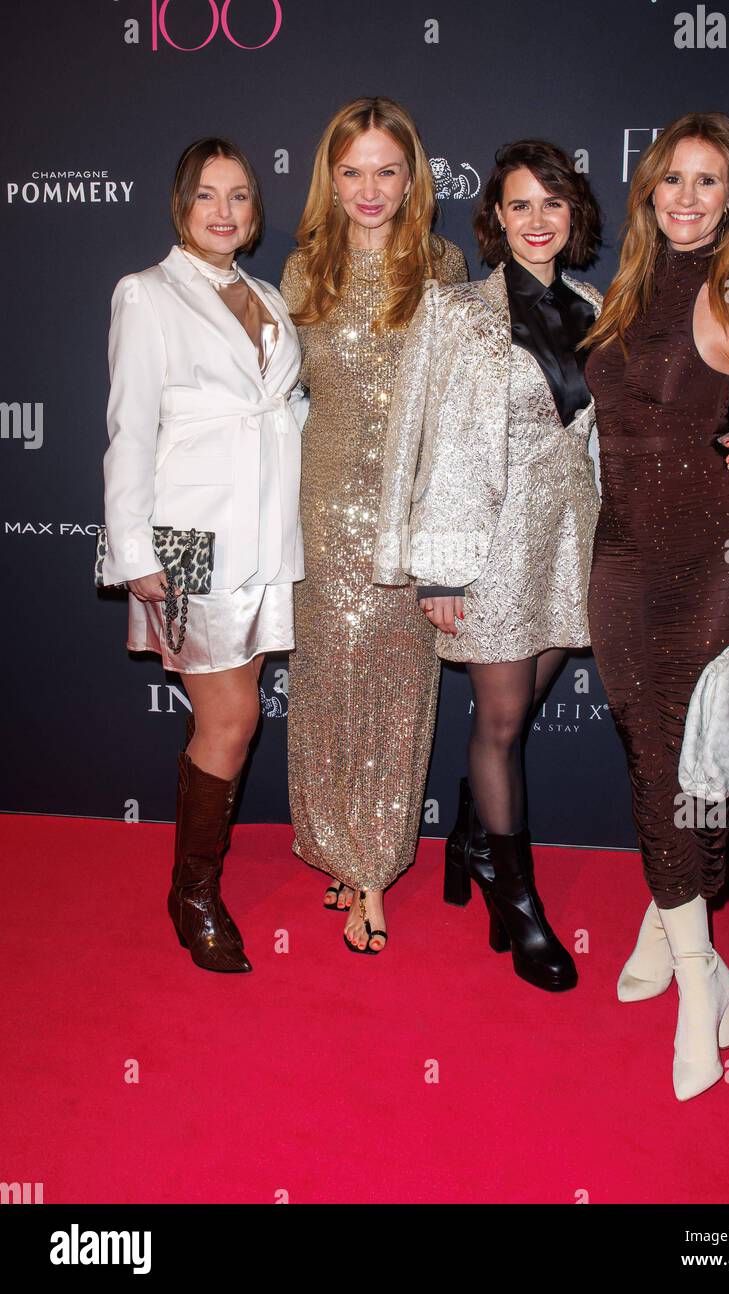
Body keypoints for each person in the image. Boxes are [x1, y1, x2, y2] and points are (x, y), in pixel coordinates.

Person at [582, 112, 729, 1098]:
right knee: (654, 752)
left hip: (706, 562)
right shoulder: (620, 292)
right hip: (616, 556)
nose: (687, 197)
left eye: (708, 182)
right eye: (672, 178)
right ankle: (662, 925)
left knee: (674, 760)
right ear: (647, 189)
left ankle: (700, 983)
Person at [374, 139, 602, 991]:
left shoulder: (596, 303)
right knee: (501, 724)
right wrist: (431, 569)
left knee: (526, 703)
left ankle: (471, 841)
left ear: (572, 215)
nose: (537, 219)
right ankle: (520, 901)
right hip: (487, 544)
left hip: (569, 542)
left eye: (552, 203)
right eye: (519, 205)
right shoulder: (454, 310)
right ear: (495, 220)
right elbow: (413, 441)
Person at [102, 137, 307, 974]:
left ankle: (194, 880)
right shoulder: (147, 295)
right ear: (181, 205)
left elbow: (285, 411)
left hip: (267, 538)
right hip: (187, 540)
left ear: (255, 212)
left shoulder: (266, 294)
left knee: (233, 712)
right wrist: (131, 548)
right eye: (207, 196)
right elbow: (129, 428)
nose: (224, 211)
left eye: (240, 197)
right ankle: (193, 892)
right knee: (233, 717)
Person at [280, 97, 467, 954]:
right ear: (330, 177)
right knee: (325, 682)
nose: (369, 187)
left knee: (397, 689)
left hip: (407, 510)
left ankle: (373, 867)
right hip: (321, 504)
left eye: (386, 170)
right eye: (351, 170)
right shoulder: (299, 272)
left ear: (411, 177)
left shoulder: (442, 266)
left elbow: (464, 407)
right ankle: (334, 846)